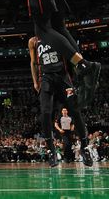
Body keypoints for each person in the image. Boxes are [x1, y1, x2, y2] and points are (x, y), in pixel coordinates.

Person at [28, 35, 92, 167]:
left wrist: (82, 67)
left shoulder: (59, 37)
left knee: (75, 111)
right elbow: (33, 62)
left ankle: (85, 147)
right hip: (45, 78)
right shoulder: (33, 41)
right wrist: (35, 82)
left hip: (63, 77)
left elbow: (72, 55)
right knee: (45, 113)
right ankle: (51, 150)